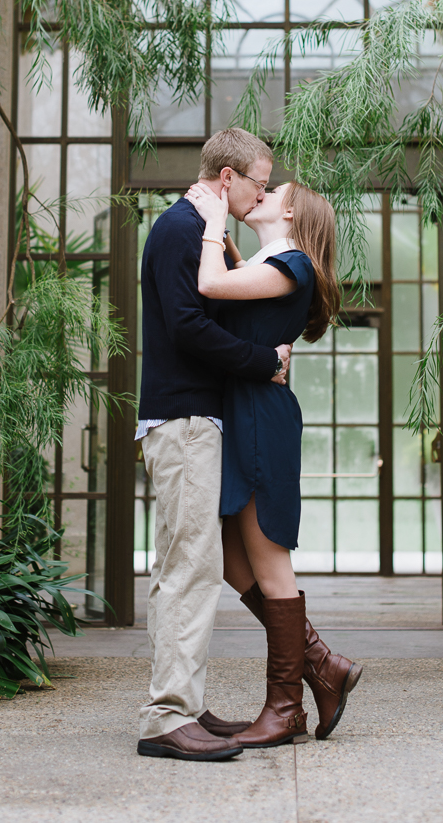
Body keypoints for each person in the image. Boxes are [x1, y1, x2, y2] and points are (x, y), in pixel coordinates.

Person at [185, 177, 363, 747]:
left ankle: (285, 709)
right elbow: (236, 287)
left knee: (269, 564)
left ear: (291, 210)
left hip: (260, 420)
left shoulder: (293, 264)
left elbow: (211, 284)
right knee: (231, 558)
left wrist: (214, 223)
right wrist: (233, 243)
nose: (257, 194)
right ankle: (321, 664)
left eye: (272, 190)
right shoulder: (273, 260)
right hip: (244, 415)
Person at [135, 128, 292, 762]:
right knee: (188, 568)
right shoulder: (178, 228)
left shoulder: (193, 227)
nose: (262, 192)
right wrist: (263, 361)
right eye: (259, 180)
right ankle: (166, 717)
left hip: (194, 422)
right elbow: (190, 327)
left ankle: (186, 706)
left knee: (192, 564)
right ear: (228, 178)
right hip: (184, 423)